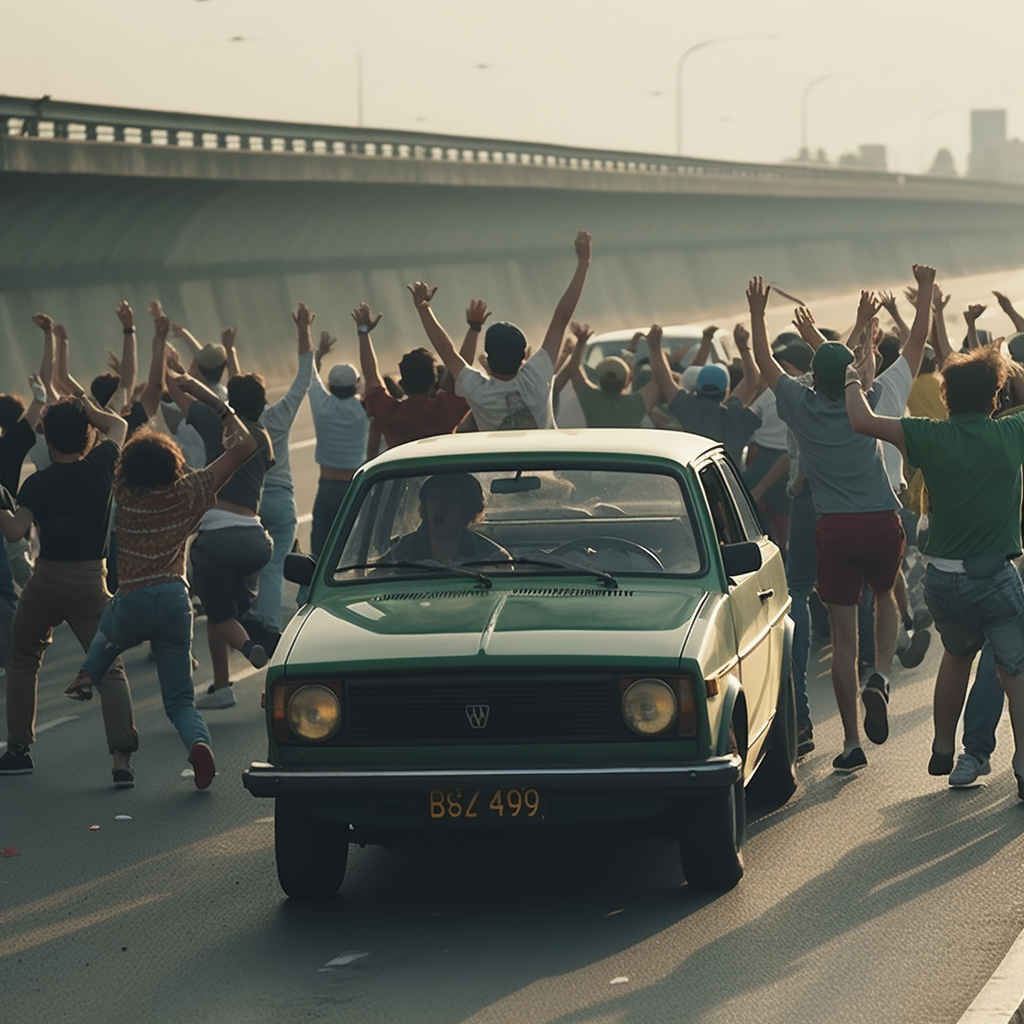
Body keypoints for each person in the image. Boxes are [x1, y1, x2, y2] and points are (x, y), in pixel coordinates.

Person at [748, 269, 933, 773]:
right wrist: (924, 298)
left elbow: (766, 365)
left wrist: (758, 316)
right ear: (855, 377)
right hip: (881, 520)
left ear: (814, 379)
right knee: (885, 596)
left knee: (843, 636)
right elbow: (913, 346)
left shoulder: (799, 408)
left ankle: (851, 744)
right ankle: (881, 674)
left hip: (832, 528)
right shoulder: (869, 403)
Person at [65, 321, 258, 788]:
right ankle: (198, 745)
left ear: (128, 468)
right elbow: (247, 446)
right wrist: (221, 407)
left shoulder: (124, 493)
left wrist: (88, 411)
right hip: (173, 601)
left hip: (130, 600)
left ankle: (86, 674)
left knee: (108, 633)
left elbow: (116, 429)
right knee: (179, 703)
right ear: (173, 464)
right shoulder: (189, 492)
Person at [847, 340, 1024, 801]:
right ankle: (1022, 761)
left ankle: (944, 745)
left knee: (957, 657)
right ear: (996, 397)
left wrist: (850, 376)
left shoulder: (927, 434)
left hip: (943, 581)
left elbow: (861, 420)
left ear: (945, 396)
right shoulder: (1011, 433)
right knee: (1014, 670)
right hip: (996, 578)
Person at [0, 395, 137, 786]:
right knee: (109, 667)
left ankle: (18, 749)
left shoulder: (37, 483)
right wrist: (88, 410)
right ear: (87, 436)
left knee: (23, 655)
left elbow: (15, 531)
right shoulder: (101, 467)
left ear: (48, 441)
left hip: (46, 581)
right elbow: (119, 426)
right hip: (92, 581)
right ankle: (121, 760)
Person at [407, 230, 593, 431]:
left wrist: (423, 306)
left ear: (487, 356)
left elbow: (446, 350)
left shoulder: (478, 391)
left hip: (499, 464)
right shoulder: (537, 377)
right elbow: (561, 319)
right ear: (523, 356)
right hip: (544, 464)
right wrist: (584, 262)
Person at [166, 368, 274, 710]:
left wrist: (176, 369)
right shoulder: (263, 437)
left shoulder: (218, 426)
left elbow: (176, 394)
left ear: (230, 402)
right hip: (256, 539)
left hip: (217, 539)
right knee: (223, 610)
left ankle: (251, 648)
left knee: (220, 615)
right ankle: (222, 684)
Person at [238, 304, 314, 648]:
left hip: (246, 503)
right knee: (274, 563)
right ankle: (267, 619)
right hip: (281, 498)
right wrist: (302, 330)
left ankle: (251, 613)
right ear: (263, 398)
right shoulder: (279, 417)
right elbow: (303, 379)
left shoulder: (232, 426)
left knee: (248, 563)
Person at [357, 301, 473, 446]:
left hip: (401, 469)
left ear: (402, 385)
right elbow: (461, 372)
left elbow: (372, 376)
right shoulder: (446, 408)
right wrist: (474, 328)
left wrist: (363, 331)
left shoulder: (391, 414)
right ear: (434, 382)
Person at [647, 322, 761, 465]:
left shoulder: (687, 408)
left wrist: (654, 348)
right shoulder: (733, 414)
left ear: (697, 389)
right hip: (730, 483)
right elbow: (753, 381)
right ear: (726, 391)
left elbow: (664, 381)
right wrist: (744, 348)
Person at [307, 326, 369, 564]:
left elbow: (310, 375)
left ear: (331, 387)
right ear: (355, 386)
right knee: (353, 553)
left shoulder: (321, 406)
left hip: (326, 486)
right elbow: (371, 382)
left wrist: (319, 354)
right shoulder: (363, 410)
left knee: (318, 555)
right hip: (354, 487)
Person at [556, 321, 662, 428]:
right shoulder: (635, 405)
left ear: (600, 379)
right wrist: (655, 348)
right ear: (627, 381)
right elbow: (659, 381)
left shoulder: (591, 399)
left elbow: (573, 370)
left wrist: (580, 343)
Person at [391, 474, 509, 563]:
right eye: (433, 499)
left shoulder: (491, 558)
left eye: (450, 499)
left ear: (467, 509)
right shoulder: (399, 554)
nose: (439, 507)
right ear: (425, 507)